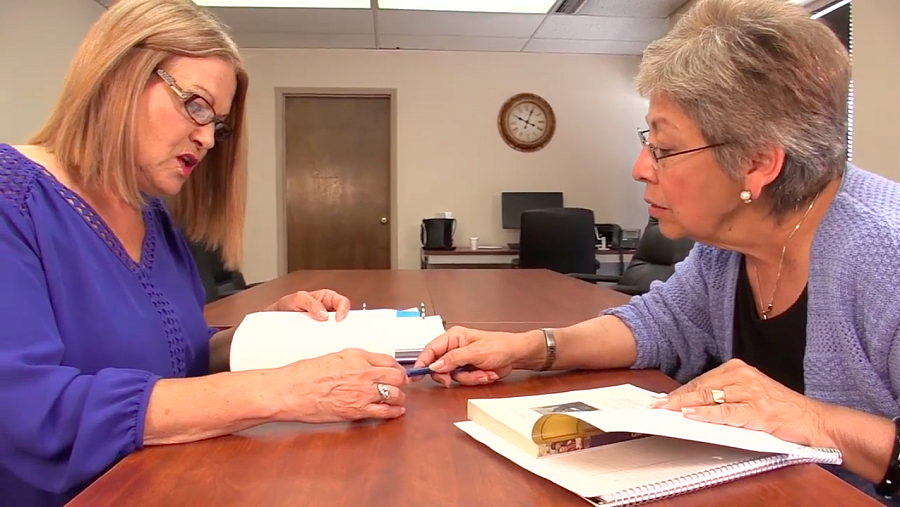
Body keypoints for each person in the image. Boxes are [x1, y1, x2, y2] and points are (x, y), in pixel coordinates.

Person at [415, 0, 900, 503]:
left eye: (664, 149)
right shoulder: (726, 248)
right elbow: (655, 324)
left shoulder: (886, 254)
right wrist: (529, 348)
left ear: (757, 163)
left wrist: (813, 419)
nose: (640, 168)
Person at [0, 1, 408, 505]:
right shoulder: (11, 198)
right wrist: (281, 391)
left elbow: (173, 353)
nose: (208, 138)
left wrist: (262, 330)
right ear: (117, 76)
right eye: (195, 105)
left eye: (218, 123)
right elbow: (24, 410)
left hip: (171, 478)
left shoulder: (153, 217)